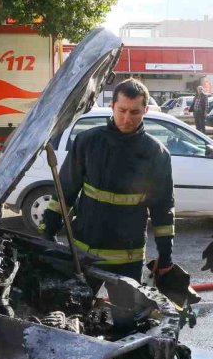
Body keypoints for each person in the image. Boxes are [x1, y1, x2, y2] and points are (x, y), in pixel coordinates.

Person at [41, 78, 175, 282]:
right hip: (84, 253)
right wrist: (48, 231)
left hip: (129, 259)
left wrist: (165, 255)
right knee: (77, 312)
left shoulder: (156, 153)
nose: (127, 118)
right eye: (122, 110)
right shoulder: (87, 142)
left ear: (145, 110)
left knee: (129, 315)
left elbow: (163, 208)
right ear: (112, 106)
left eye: (134, 112)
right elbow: (65, 190)